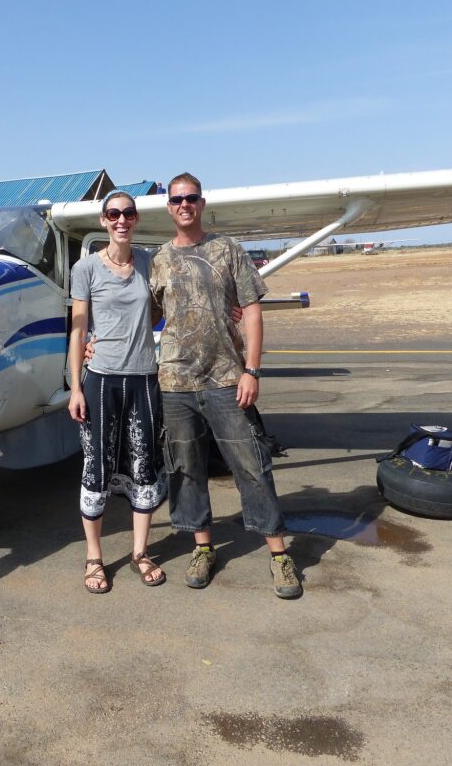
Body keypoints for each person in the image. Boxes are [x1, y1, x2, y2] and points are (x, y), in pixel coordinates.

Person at [151, 172, 302, 599]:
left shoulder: (227, 249)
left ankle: (278, 554)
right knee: (185, 468)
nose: (184, 205)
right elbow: (144, 316)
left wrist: (251, 370)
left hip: (224, 378)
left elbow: (252, 311)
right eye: (177, 199)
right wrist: (96, 343)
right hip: (175, 381)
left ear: (202, 203)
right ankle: (202, 546)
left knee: (251, 463)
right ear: (169, 206)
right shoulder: (159, 258)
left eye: (191, 198)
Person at [68, 191, 167, 594]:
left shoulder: (149, 262)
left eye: (128, 213)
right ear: (104, 221)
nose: (121, 220)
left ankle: (140, 552)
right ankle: (94, 557)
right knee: (97, 467)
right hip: (101, 379)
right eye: (114, 214)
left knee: (143, 464)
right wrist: (75, 386)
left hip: (144, 378)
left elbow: (162, 308)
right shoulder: (86, 268)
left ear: (136, 219)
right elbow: (77, 330)